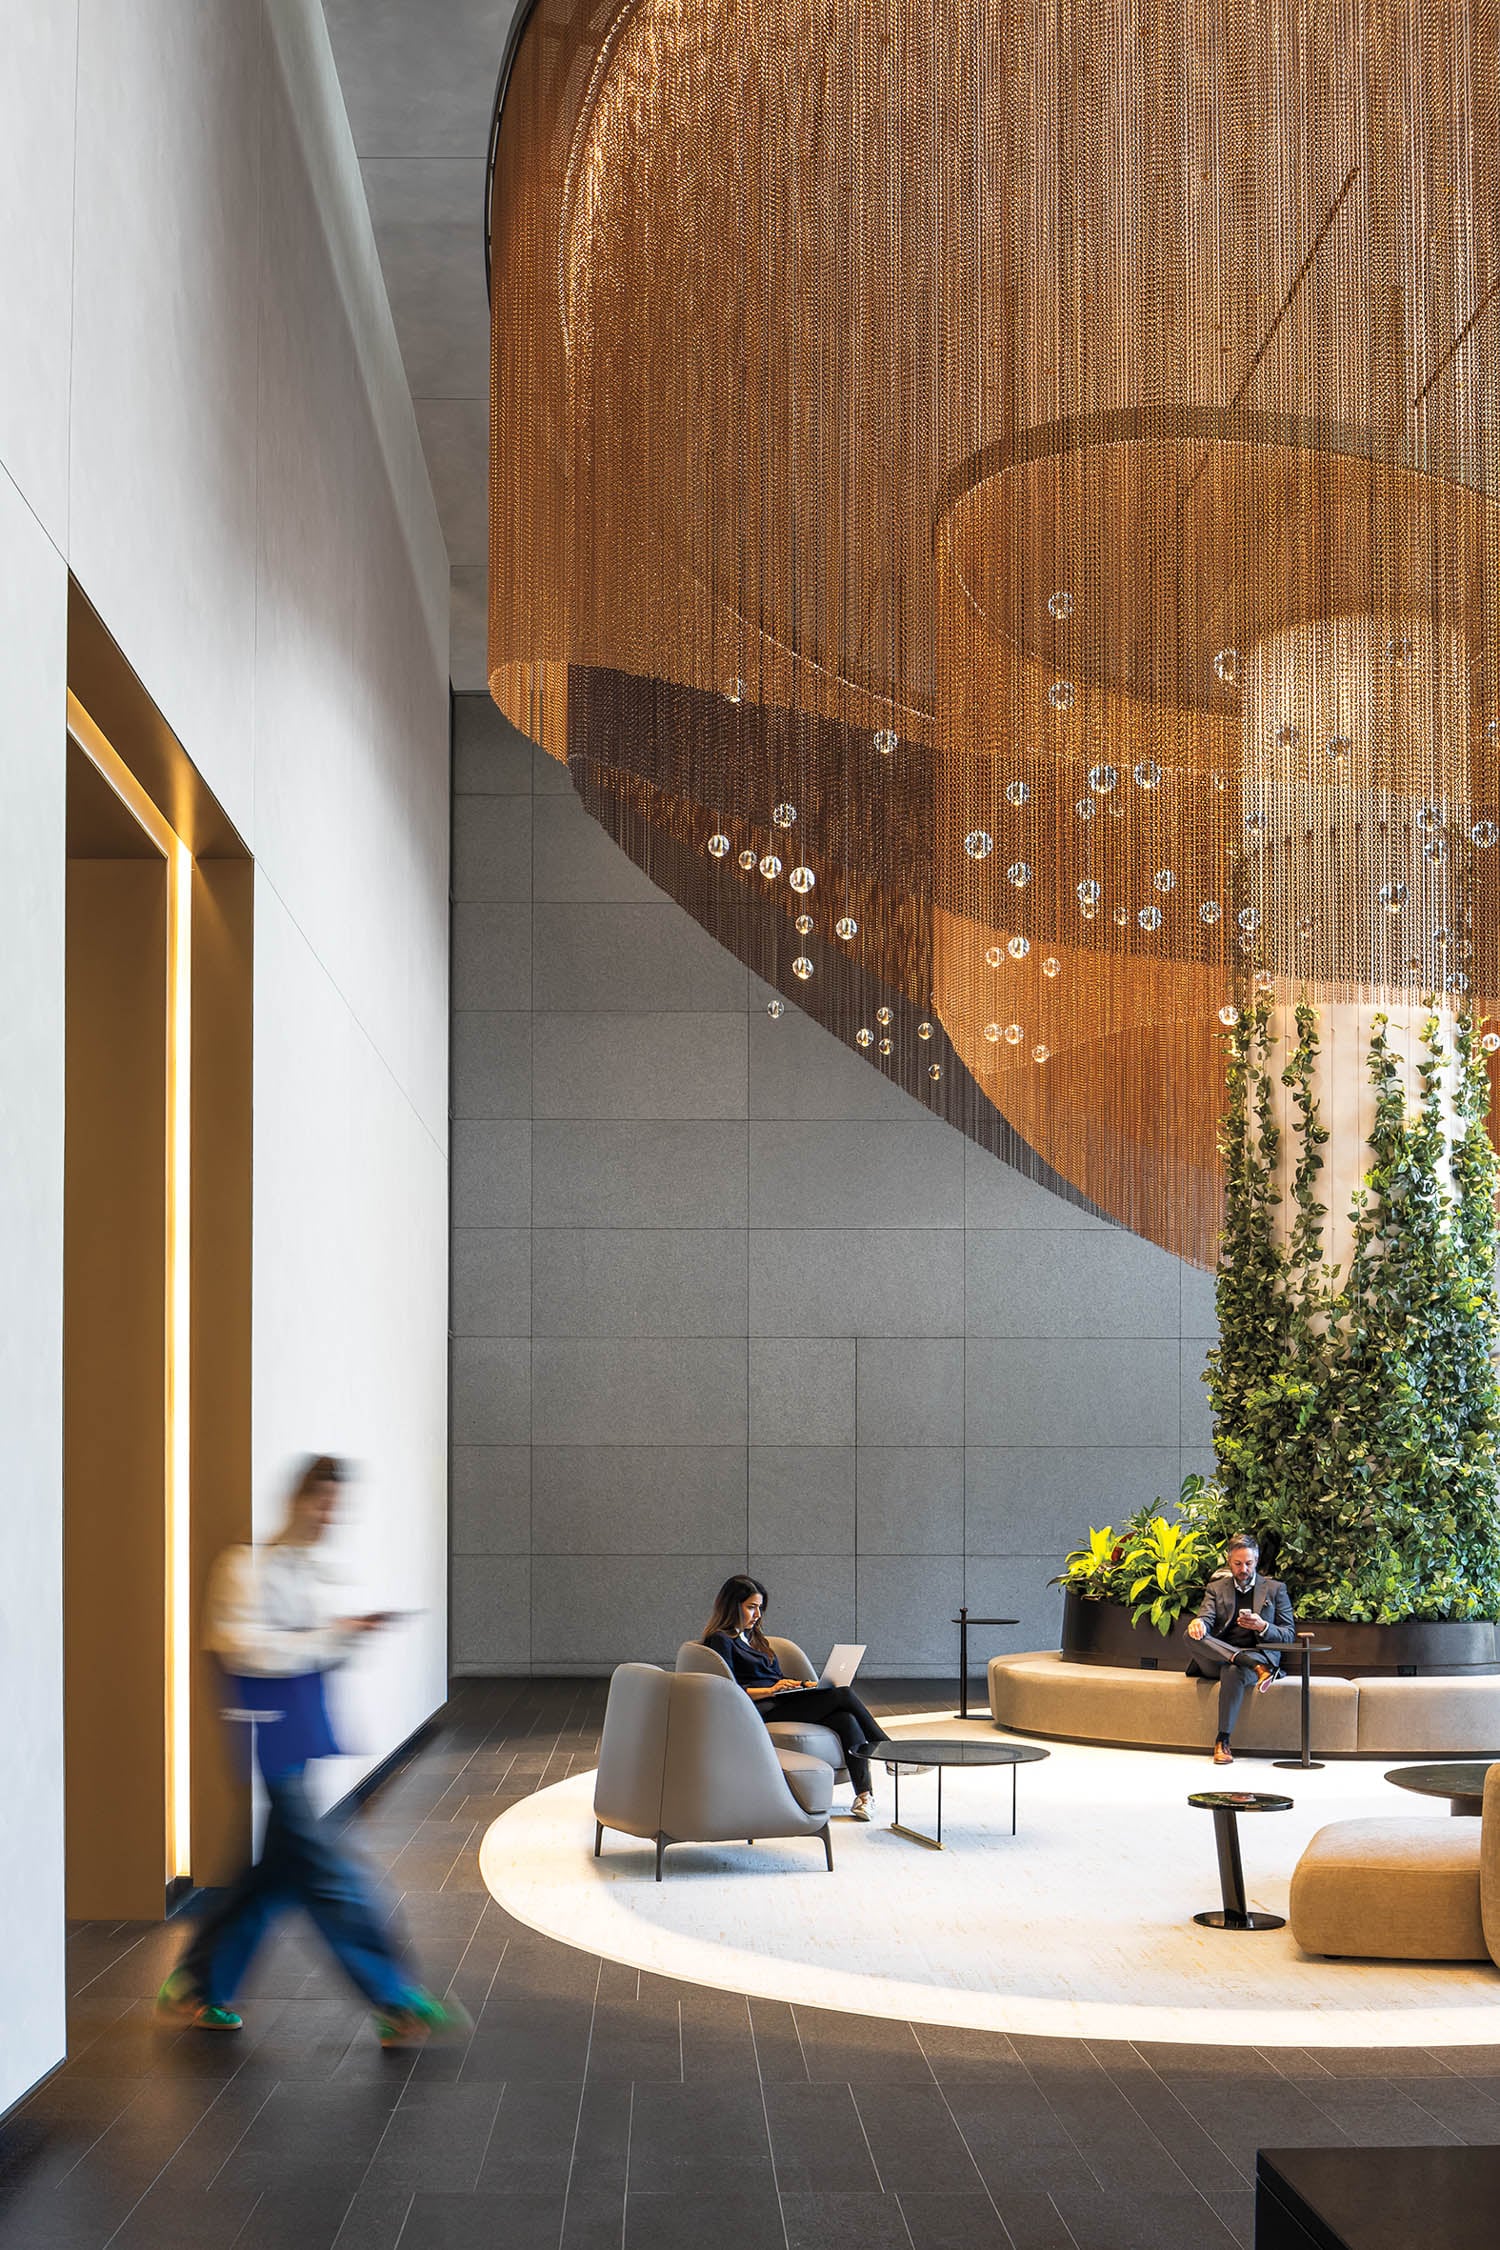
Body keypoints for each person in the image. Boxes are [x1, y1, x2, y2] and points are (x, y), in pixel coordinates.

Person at [156, 1455, 469, 2049]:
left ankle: (196, 1985)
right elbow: (245, 1651)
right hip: (268, 1738)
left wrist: (349, 1635)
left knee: (271, 1877)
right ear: (299, 1499)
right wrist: (331, 1635)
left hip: (300, 1738)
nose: (329, 1515)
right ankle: (394, 1998)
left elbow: (311, 1655)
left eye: (336, 1506)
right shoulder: (243, 1568)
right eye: (322, 1502)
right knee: (329, 1875)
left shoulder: (308, 1572)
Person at [702, 1575, 892, 1820]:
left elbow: (774, 1677)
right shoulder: (720, 1640)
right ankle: (889, 1751)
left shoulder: (754, 1639)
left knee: (845, 1719)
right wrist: (771, 1691)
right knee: (843, 1694)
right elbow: (729, 1688)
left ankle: (865, 1797)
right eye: (751, 1607)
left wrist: (801, 1685)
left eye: (760, 1608)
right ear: (731, 1606)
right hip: (761, 1710)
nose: (758, 1614)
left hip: (781, 1701)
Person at [1185, 1531, 1296, 1765]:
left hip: (1257, 1654)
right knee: (1190, 1634)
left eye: (1248, 1563)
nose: (1243, 1569)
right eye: (1238, 1564)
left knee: (1233, 1670)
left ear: (1256, 1561)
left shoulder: (1276, 1589)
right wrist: (1199, 1623)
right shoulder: (1216, 1588)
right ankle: (1250, 1663)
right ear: (1229, 1561)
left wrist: (1263, 1626)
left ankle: (1222, 1741)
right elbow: (1205, 1617)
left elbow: (1288, 1635)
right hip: (1219, 1656)